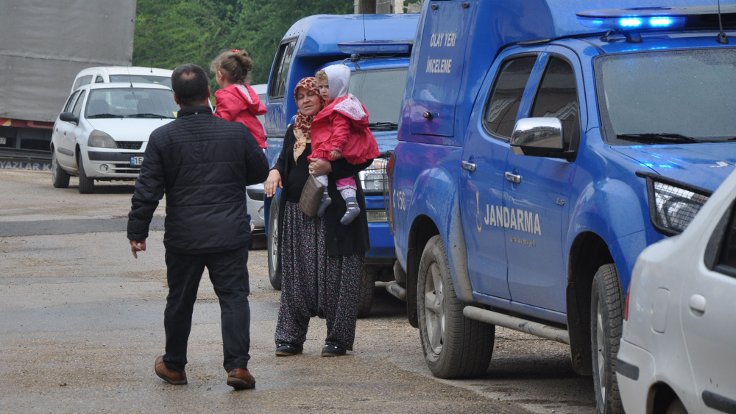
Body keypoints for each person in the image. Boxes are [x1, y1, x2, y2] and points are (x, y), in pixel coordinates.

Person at [127, 63, 268, 390]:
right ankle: (237, 367)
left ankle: (174, 366)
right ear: (208, 93)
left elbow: (148, 189)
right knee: (234, 298)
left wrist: (138, 233)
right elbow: (259, 170)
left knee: (180, 299)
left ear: (176, 98)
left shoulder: (162, 138)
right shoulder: (236, 133)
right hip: (230, 233)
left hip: (184, 237)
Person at [264, 77, 372, 357]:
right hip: (298, 214)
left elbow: (364, 157)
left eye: (311, 95)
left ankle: (337, 339)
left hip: (336, 216)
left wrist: (330, 167)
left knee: (339, 277)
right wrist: (275, 170)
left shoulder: (340, 120)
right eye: (300, 97)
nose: (306, 101)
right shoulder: (294, 129)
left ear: (323, 97)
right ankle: (290, 338)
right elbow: (284, 161)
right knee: (296, 278)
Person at [310, 64, 380, 224]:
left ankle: (324, 196)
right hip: (345, 151)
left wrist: (336, 148)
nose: (323, 91)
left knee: (318, 164)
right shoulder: (345, 104)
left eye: (327, 86)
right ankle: (350, 203)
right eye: (320, 87)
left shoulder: (339, 108)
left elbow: (341, 130)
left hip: (339, 149)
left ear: (337, 85)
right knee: (345, 178)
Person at [210, 48, 267, 149]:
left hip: (239, 145)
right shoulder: (245, 91)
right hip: (255, 140)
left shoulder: (227, 96)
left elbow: (221, 122)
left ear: (219, 75)